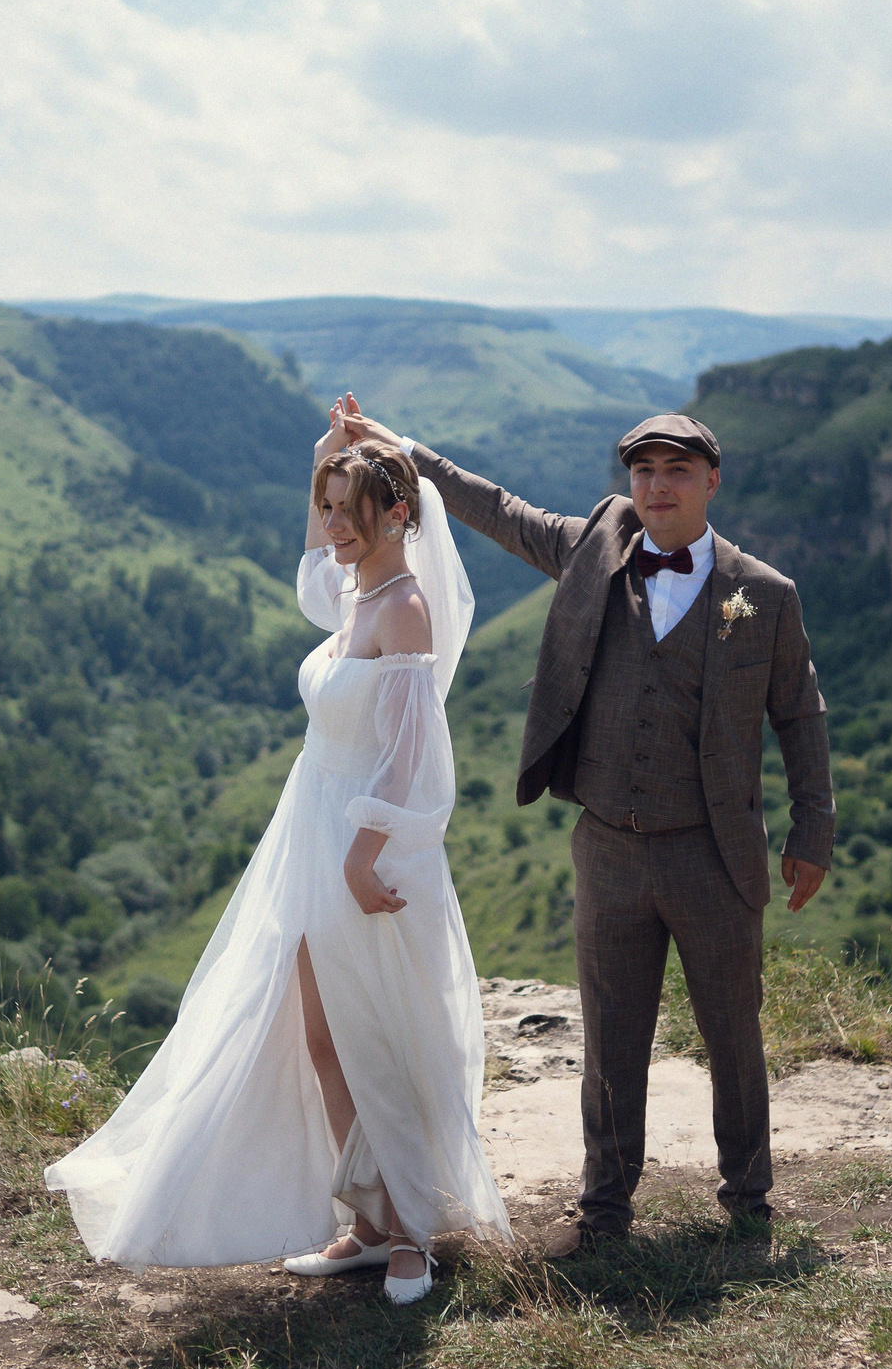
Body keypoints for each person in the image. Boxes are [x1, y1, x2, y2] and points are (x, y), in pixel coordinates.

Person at [331, 396, 834, 1258]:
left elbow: (801, 714)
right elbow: (501, 511)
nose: (658, 487)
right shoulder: (596, 544)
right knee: (610, 1033)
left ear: (712, 480)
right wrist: (408, 450)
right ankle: (604, 1209)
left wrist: (811, 831)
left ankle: (748, 1199)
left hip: (716, 852)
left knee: (732, 1029)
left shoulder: (766, 595)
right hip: (608, 844)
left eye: (677, 471)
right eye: (643, 471)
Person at [45, 406, 510, 1301]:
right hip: (313, 822)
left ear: (398, 517)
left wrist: (364, 853)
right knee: (322, 1034)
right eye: (328, 507)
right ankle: (369, 1219)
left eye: (350, 511)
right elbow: (312, 579)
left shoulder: (404, 608)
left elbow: (413, 752)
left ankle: (416, 1229)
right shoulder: (356, 592)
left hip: (364, 842)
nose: (334, 527)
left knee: (382, 1035)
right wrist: (322, 463)